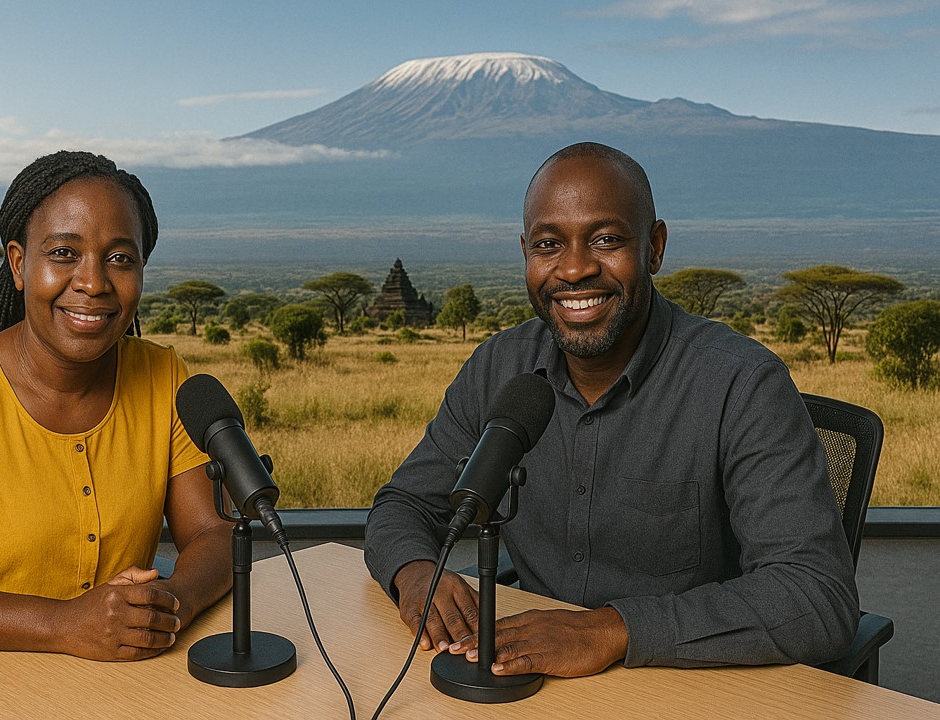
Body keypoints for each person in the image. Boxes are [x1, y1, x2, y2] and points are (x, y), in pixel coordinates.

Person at [364, 142, 859, 678]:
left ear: (654, 248)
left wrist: (611, 630)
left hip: (690, 683)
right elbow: (404, 504)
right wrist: (414, 572)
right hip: (529, 675)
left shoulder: (741, 382)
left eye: (606, 239)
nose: (574, 269)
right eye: (549, 244)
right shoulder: (498, 368)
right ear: (525, 252)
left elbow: (817, 596)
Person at [0, 151, 232, 661]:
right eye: (63, 253)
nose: (93, 281)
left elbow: (214, 533)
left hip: (102, 687)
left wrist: (171, 603)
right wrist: (67, 625)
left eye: (121, 258)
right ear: (19, 263)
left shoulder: (162, 375)